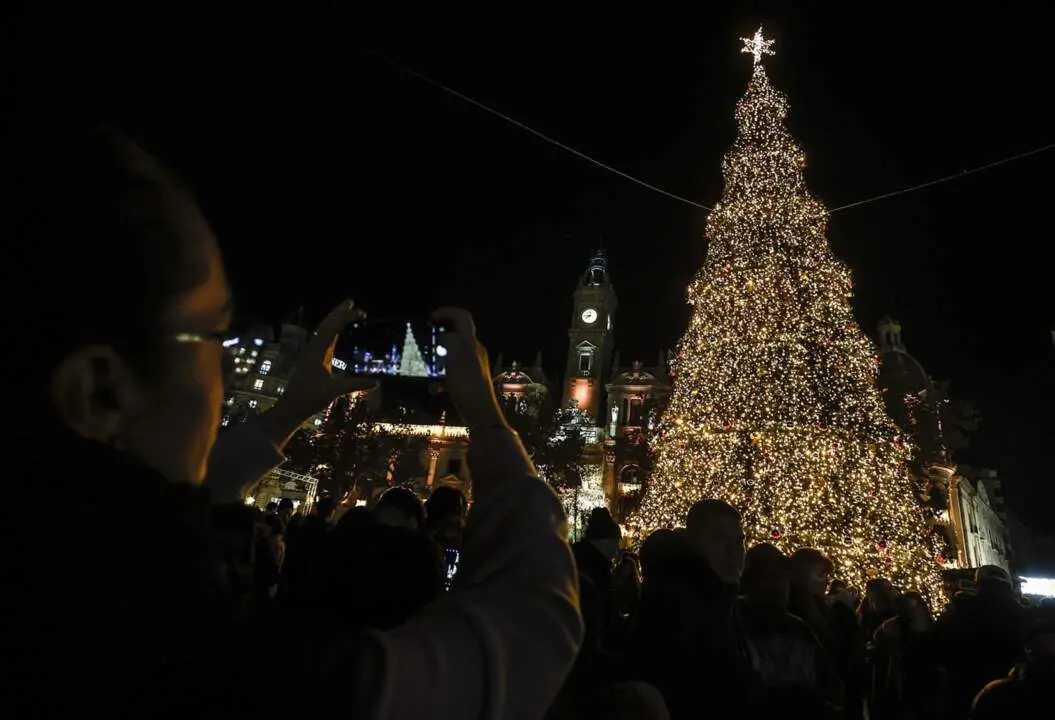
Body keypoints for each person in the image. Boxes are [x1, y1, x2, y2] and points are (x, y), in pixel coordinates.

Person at [5, 119, 583, 717]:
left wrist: (290, 412)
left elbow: (169, 500)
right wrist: (488, 418)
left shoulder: (60, 577)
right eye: (213, 335)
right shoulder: (203, 656)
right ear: (100, 393)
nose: (227, 371)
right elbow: (532, 639)